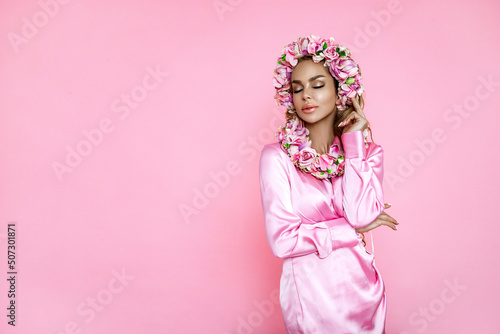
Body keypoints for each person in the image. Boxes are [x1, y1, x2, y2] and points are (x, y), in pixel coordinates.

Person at [258, 35, 399, 333]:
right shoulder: (277, 157)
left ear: (340, 93)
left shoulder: (369, 154)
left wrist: (355, 143)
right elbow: (283, 240)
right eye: (297, 88)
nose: (306, 95)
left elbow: (361, 214)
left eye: (317, 85)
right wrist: (349, 231)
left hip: (364, 289)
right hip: (311, 297)